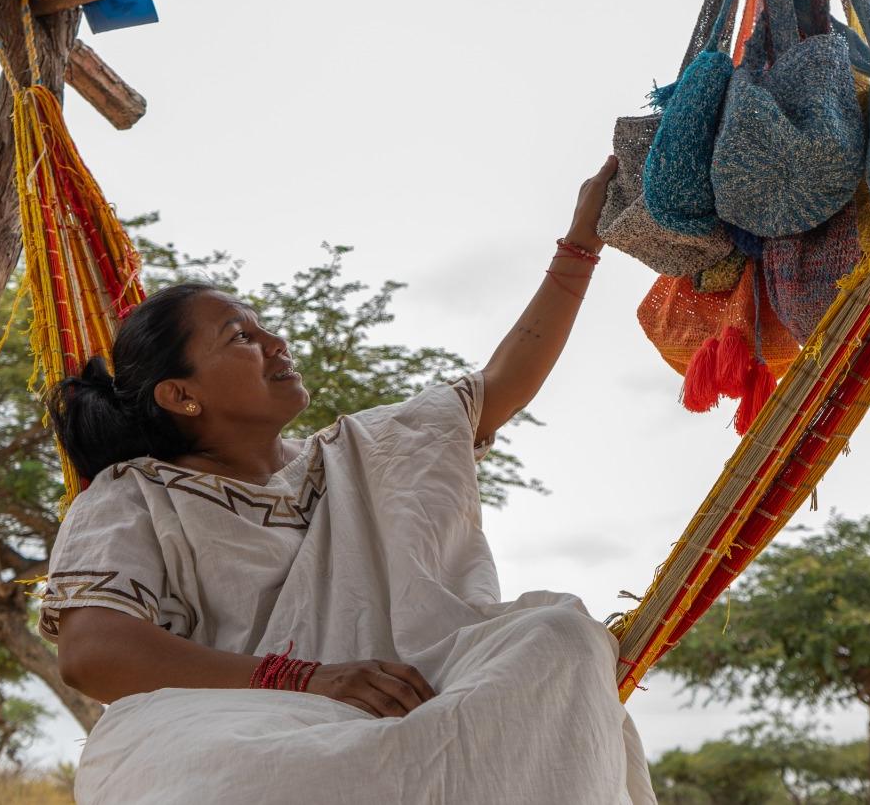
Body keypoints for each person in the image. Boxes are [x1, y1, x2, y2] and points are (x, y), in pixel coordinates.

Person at [40, 156, 656, 805]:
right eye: (240, 337)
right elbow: (93, 653)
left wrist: (580, 247)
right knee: (246, 778)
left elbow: (499, 383)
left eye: (263, 326)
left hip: (411, 699)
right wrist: (303, 679)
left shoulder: (370, 450)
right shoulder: (131, 495)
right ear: (180, 395)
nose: (275, 342)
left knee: (559, 638)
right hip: (243, 729)